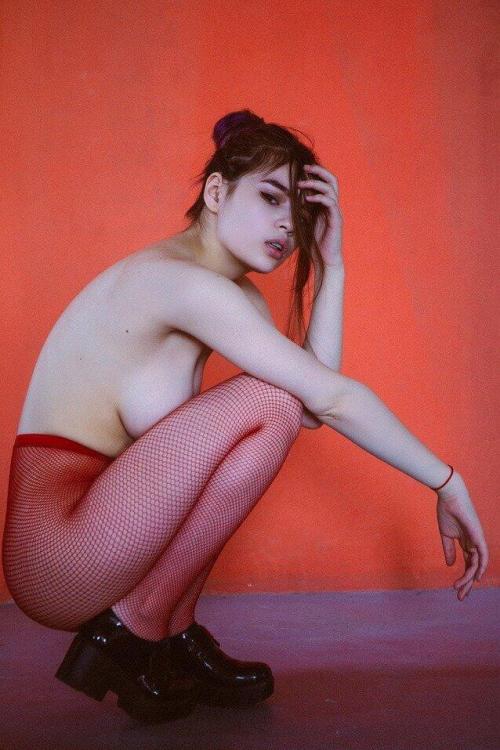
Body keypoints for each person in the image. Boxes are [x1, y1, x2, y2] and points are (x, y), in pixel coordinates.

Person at [2, 109, 488, 725]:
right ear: (215, 192)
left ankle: (167, 630)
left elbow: (307, 405)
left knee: (279, 403)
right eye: (270, 197)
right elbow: (327, 397)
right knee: (270, 398)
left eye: (300, 213)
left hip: (107, 534)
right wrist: (448, 482)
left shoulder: (232, 295)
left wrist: (332, 265)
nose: (288, 224)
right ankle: (135, 629)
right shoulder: (176, 283)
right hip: (56, 549)